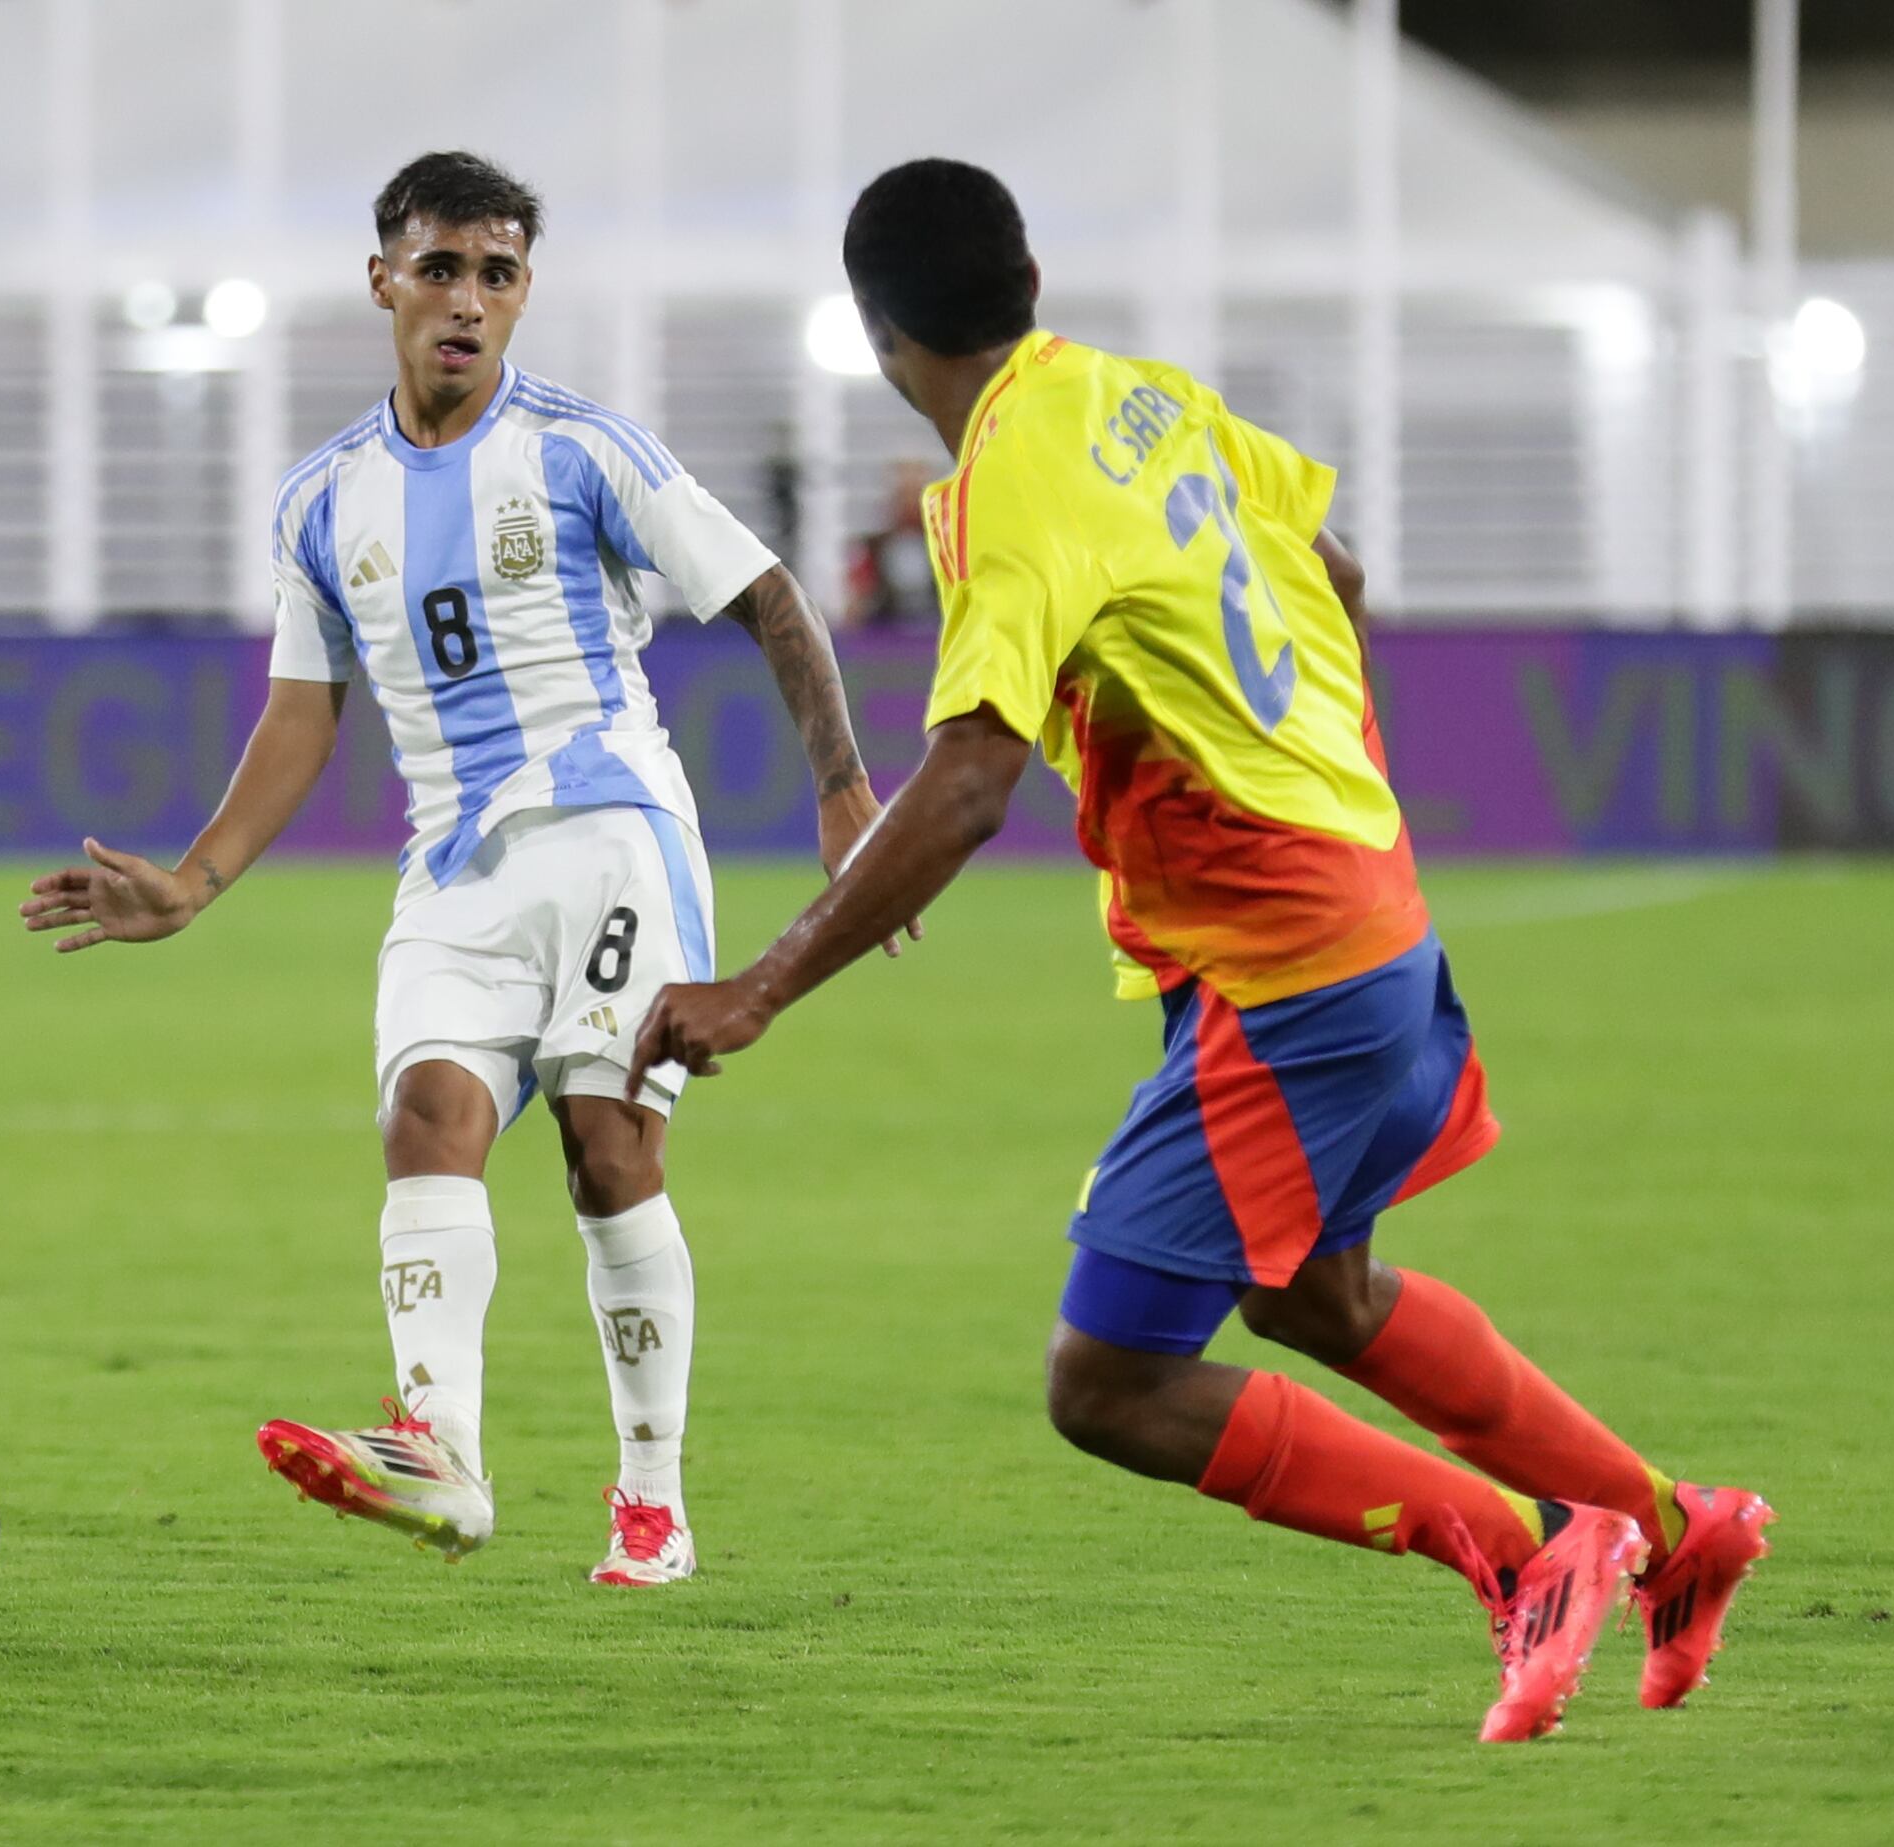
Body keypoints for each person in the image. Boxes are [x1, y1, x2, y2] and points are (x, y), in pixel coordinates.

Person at [627, 159, 1770, 1738]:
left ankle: (1526, 1556)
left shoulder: (1000, 491)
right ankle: (1672, 1522)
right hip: (1365, 907)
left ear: (881, 340)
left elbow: (965, 783)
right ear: (1029, 275)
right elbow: (1336, 572)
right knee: (1319, 1295)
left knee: (1109, 1377)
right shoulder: (1138, 395)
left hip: (1285, 962)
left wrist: (753, 987)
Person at [20, 151, 891, 1587]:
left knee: (606, 1145)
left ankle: (652, 1499)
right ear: (384, 282)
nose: (467, 300)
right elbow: (303, 710)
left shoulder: (583, 450)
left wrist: (841, 780)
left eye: (496, 273)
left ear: (522, 291)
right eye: (439, 268)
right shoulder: (322, 498)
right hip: (455, 869)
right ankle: (444, 1460)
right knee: (426, 1118)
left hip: (614, 832)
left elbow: (768, 595)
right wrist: (192, 880)